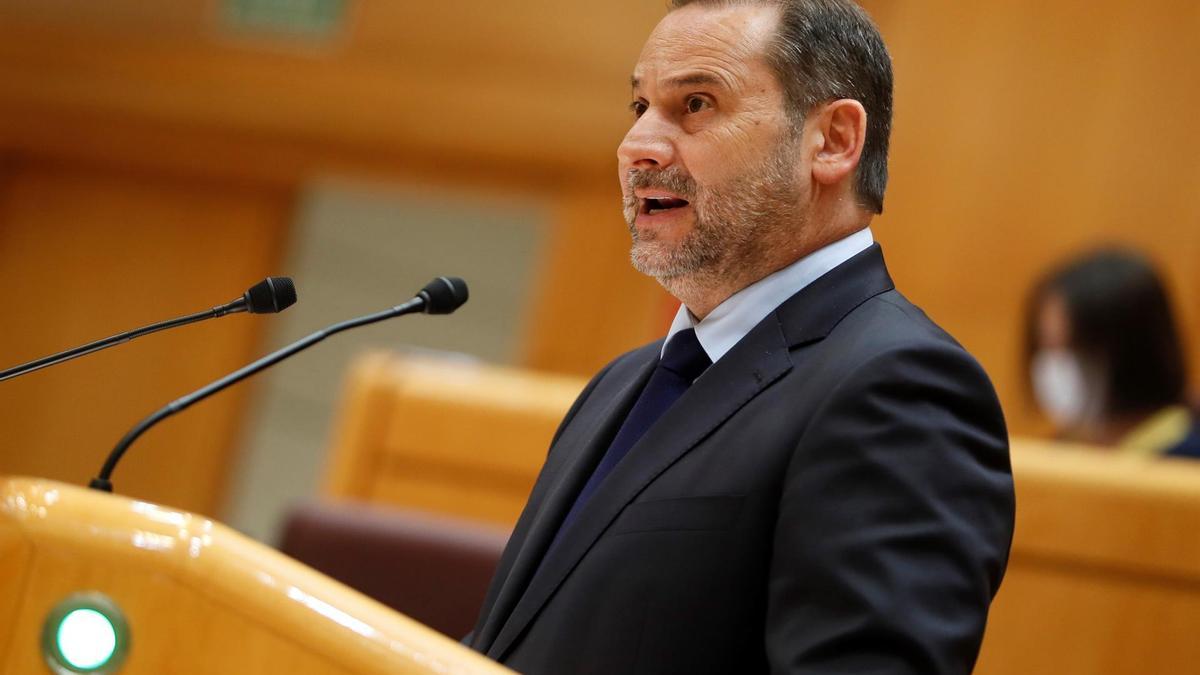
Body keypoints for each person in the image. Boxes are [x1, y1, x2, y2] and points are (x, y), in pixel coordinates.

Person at [466, 1, 1015, 672]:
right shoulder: (621, 383)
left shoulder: (901, 389)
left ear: (834, 140)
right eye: (640, 106)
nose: (637, 145)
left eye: (696, 103)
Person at [1025, 248, 1200, 459]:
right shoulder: (1062, 451)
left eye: (1070, 348)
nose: (1053, 366)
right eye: (1046, 346)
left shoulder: (1186, 459)